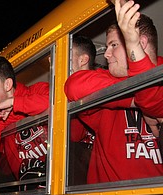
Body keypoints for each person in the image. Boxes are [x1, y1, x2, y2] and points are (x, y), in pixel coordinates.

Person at [64, 1, 162, 184]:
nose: (106, 54)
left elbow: (154, 98)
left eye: (114, 45)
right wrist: (138, 101)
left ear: (139, 43)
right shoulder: (105, 79)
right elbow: (73, 86)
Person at [0, 56, 49, 183]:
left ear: (7, 85)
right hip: (28, 188)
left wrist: (14, 103)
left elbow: (56, 103)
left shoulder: (37, 91)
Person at [68, 35, 96, 185]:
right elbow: (75, 135)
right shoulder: (67, 95)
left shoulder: (102, 84)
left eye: (65, 57)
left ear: (83, 60)